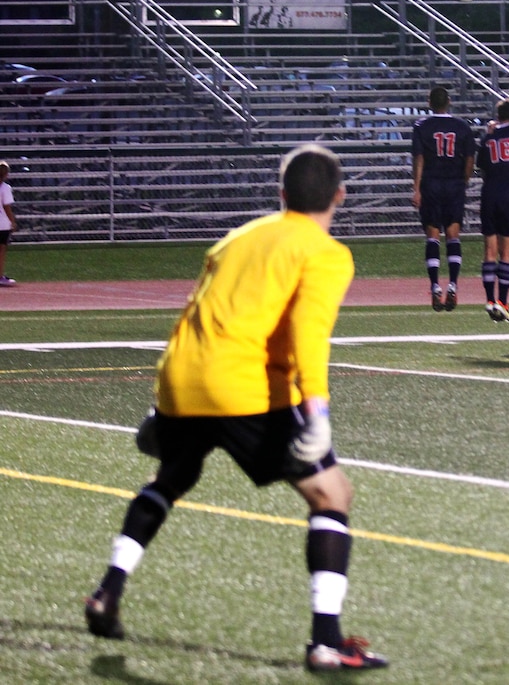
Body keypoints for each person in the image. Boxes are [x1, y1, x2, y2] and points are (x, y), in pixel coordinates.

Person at [83, 144, 388, 673]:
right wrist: (318, 411)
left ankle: (107, 591)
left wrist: (163, 402)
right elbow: (308, 335)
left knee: (172, 476)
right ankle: (326, 642)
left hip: (182, 378)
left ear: (281, 192)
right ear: (340, 195)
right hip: (247, 387)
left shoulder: (237, 237)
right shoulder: (325, 252)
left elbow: (194, 312)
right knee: (332, 494)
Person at [411, 85, 476, 312]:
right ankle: (454, 286)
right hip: (453, 183)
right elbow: (470, 158)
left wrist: (416, 188)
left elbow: (419, 158)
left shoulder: (421, 126)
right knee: (453, 235)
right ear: (449, 102)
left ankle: (435, 287)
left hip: (431, 183)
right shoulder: (462, 126)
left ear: (430, 103)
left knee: (432, 236)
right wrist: (464, 181)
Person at [477, 98, 509, 323]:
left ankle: (489, 300)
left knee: (489, 252)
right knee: (506, 254)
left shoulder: (489, 138)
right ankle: (503, 301)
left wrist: (490, 133)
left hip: (490, 194)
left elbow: (481, 165)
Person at [0, 161, 17, 287]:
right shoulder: (5, 188)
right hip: (2, 223)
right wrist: (12, 221)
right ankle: (0, 276)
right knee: (1, 250)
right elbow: (7, 207)